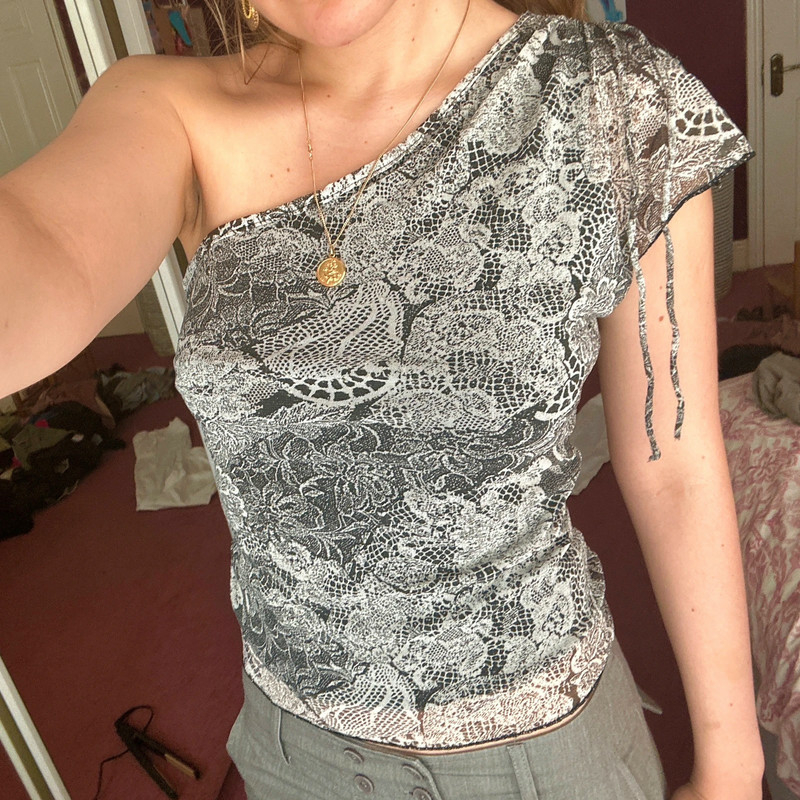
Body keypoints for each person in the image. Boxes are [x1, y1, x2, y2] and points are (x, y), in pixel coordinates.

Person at [0, 1, 764, 798]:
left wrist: (733, 768)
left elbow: (675, 462)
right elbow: (41, 245)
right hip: (299, 753)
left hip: (543, 749)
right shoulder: (169, 113)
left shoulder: (615, 100)